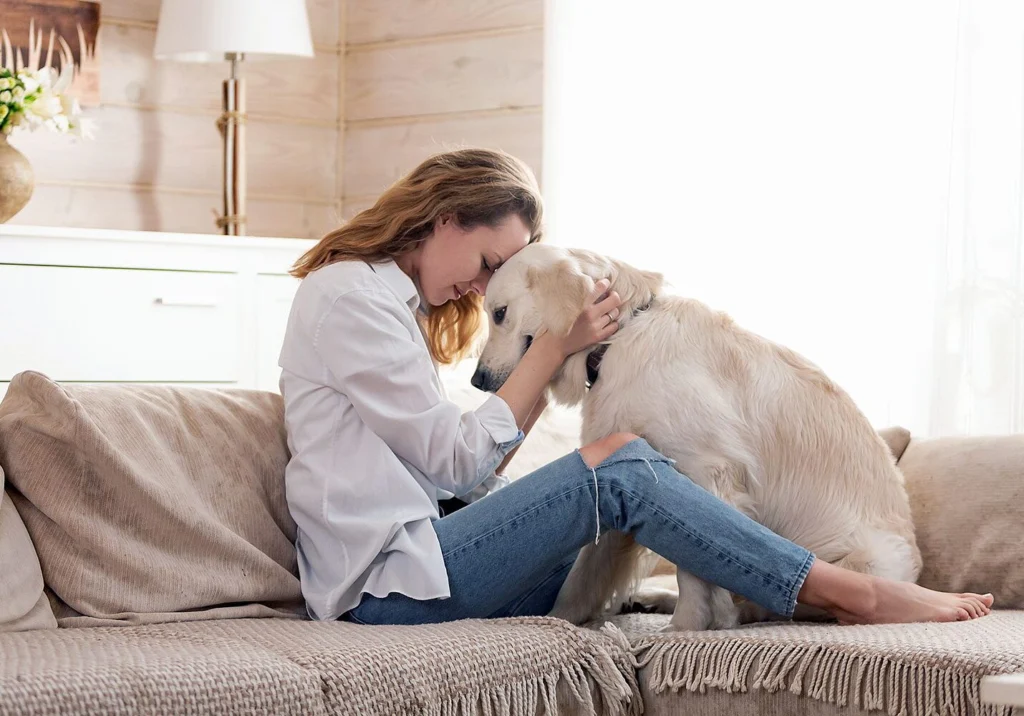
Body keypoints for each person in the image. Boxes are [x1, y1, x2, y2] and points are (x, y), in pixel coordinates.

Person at [278, 148, 993, 627]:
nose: (480, 285)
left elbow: (467, 472)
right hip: (389, 591)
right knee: (619, 462)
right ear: (445, 218)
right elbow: (455, 459)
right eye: (488, 259)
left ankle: (761, 591)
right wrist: (554, 346)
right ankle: (856, 591)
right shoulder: (349, 299)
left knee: (627, 470)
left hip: (434, 562)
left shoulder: (394, 308)